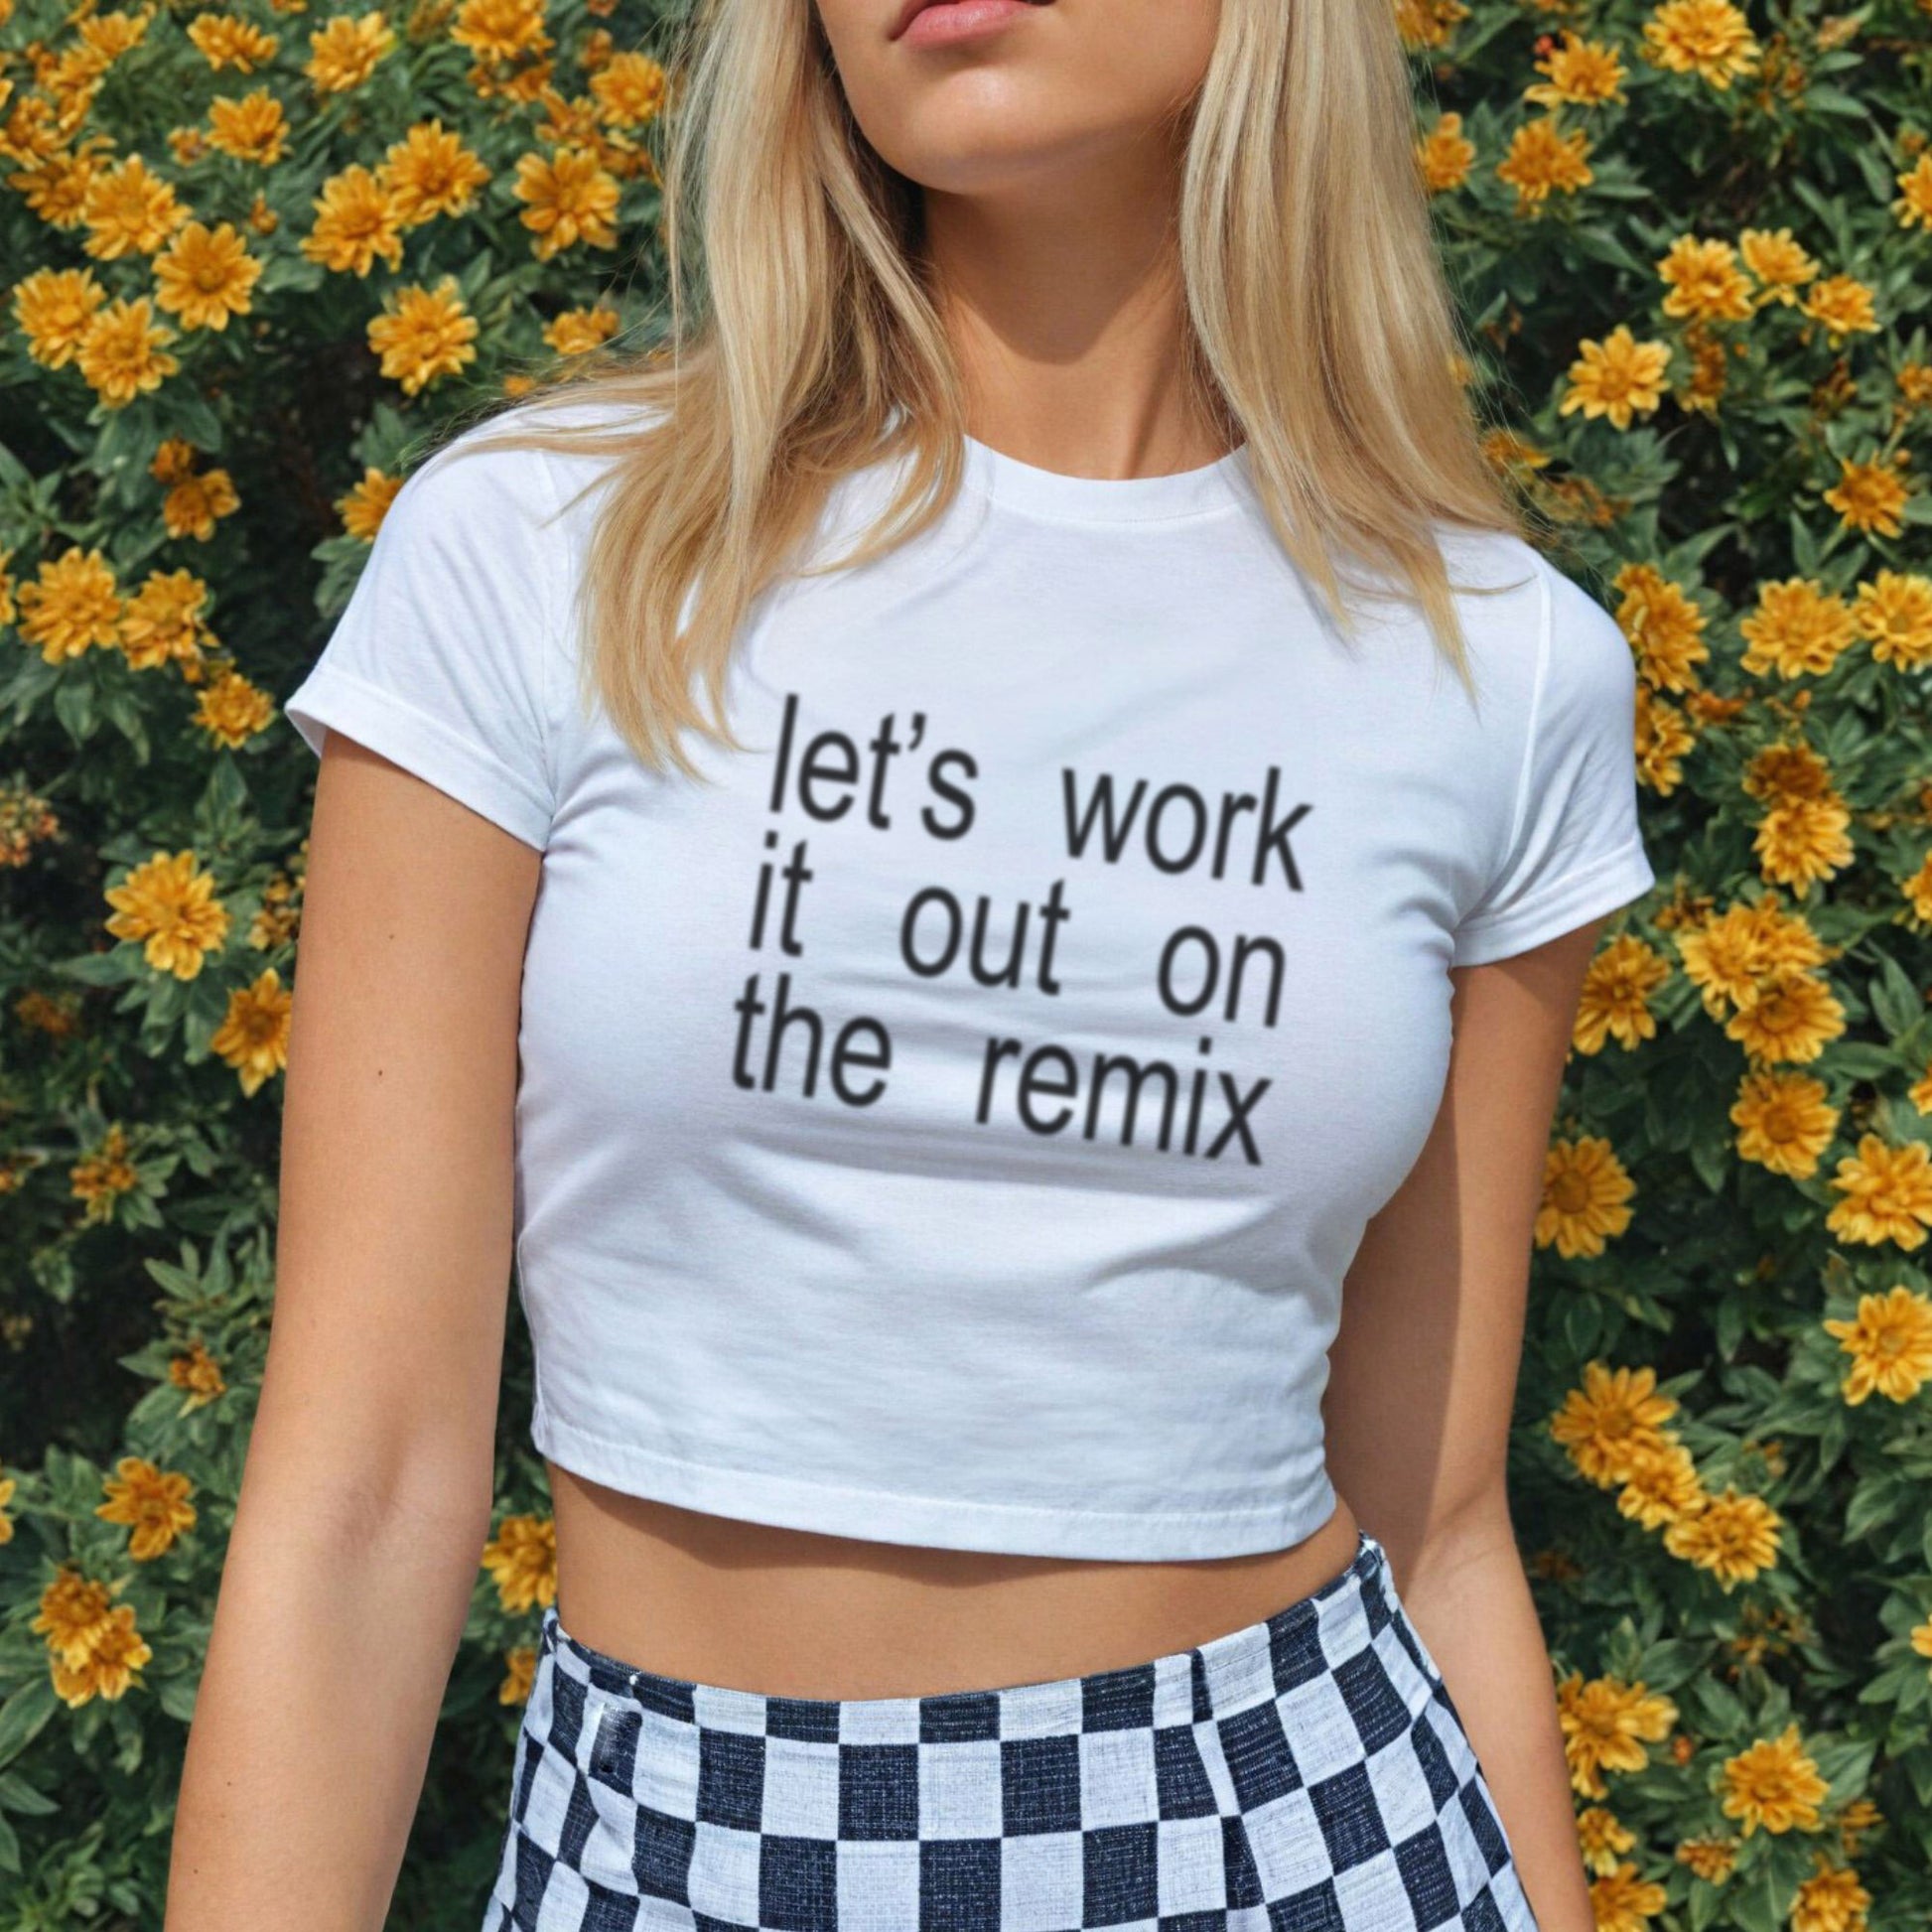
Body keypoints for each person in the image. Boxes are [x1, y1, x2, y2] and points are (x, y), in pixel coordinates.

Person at [164, 0, 1657, 1926]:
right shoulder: (544, 554)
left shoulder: (1501, 667)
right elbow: (360, 1491)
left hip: (1284, 1823)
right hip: (677, 1840)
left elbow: (1439, 1515)